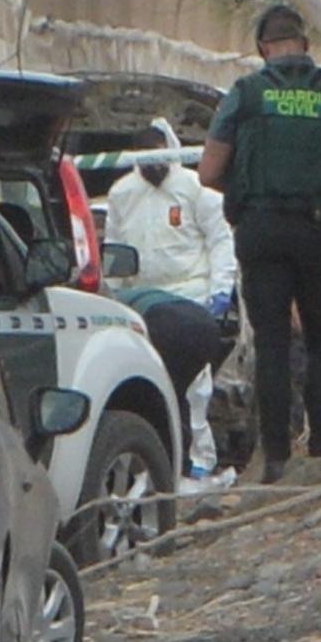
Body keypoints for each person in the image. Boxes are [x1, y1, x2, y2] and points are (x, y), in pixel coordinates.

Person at [198, 3, 321, 485]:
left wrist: (252, 188)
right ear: (306, 46)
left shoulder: (246, 94)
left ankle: (275, 455)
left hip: (262, 229)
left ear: (263, 49)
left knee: (270, 342)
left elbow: (208, 171)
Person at [106, 124, 236, 477]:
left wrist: (220, 289)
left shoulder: (195, 188)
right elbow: (115, 251)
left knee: (195, 389)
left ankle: (199, 460)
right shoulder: (123, 194)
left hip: (190, 295)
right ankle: (161, 461)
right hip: (145, 303)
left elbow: (220, 241)